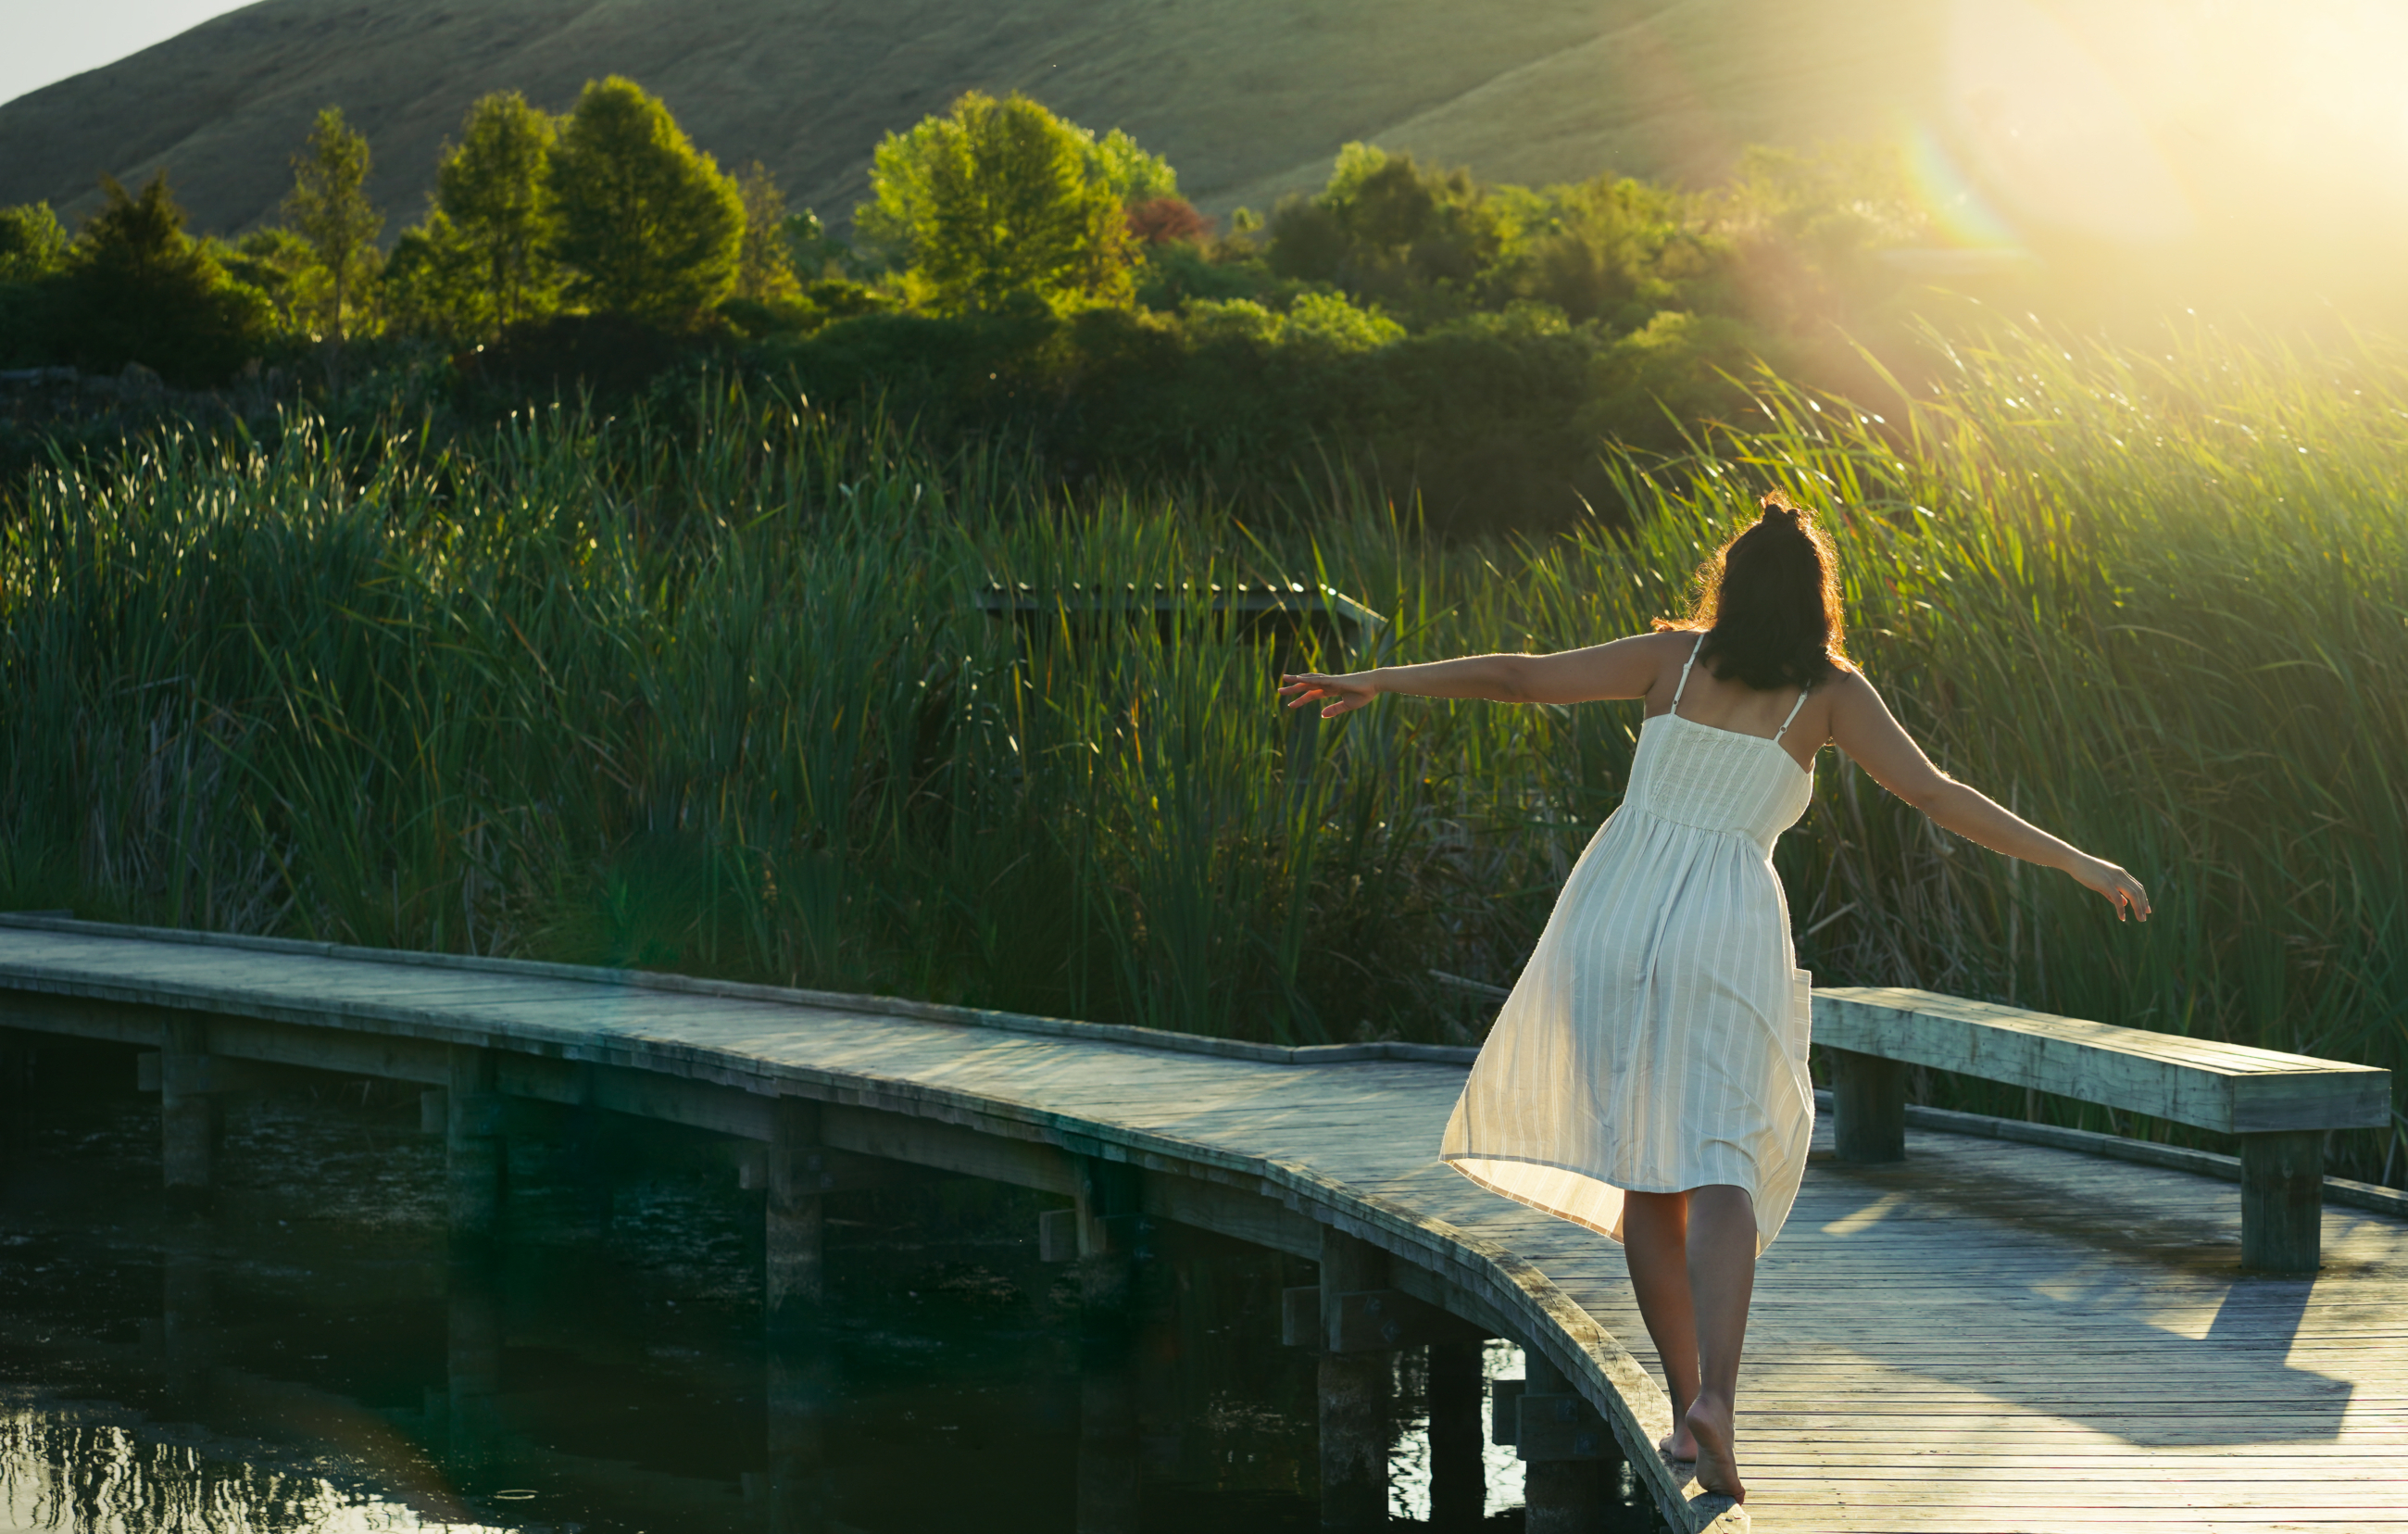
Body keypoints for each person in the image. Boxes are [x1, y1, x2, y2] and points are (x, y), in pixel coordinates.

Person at [1276, 490, 2149, 1503]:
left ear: (1725, 586)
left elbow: (1519, 677)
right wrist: (2077, 860)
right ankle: (1717, 1402)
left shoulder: (1670, 657)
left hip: (1613, 911)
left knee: (1650, 1172)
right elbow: (1934, 793)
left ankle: (1683, 1399)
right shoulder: (1828, 693)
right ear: (1817, 599)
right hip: (1723, 922)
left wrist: (1374, 678)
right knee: (1719, 1160)